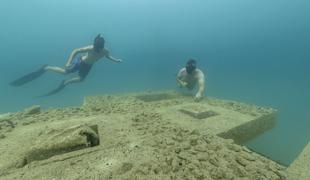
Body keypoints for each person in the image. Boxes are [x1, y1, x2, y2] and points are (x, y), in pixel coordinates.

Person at [10, 34, 122, 96]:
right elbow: (76, 50)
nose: (97, 49)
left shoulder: (105, 51)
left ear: (102, 46)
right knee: (64, 72)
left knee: (81, 79)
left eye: (99, 48)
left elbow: (108, 57)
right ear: (95, 45)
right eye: (96, 47)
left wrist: (116, 60)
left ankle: (66, 83)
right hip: (80, 62)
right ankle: (47, 67)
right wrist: (69, 62)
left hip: (88, 66)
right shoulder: (91, 47)